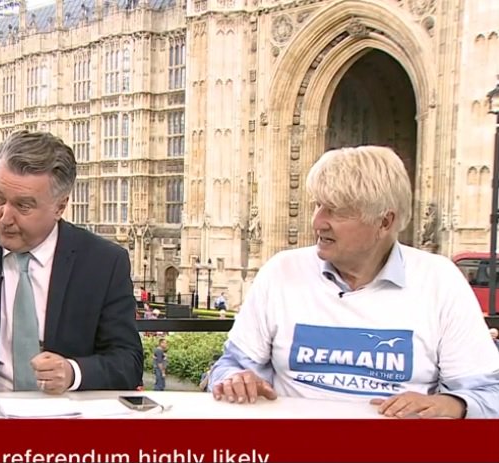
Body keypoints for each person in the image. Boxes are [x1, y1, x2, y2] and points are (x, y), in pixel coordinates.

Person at [208, 146, 499, 418]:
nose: (318, 221)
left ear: (384, 222)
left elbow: (488, 395)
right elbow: (229, 367)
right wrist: (233, 380)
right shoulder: (281, 272)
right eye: (318, 205)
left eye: (337, 210)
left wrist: (446, 405)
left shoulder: (440, 281)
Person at [0, 130, 143, 394]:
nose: (4, 217)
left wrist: (73, 372)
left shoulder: (104, 263)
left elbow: (127, 362)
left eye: (23, 206)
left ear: (60, 207)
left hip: (65, 421)